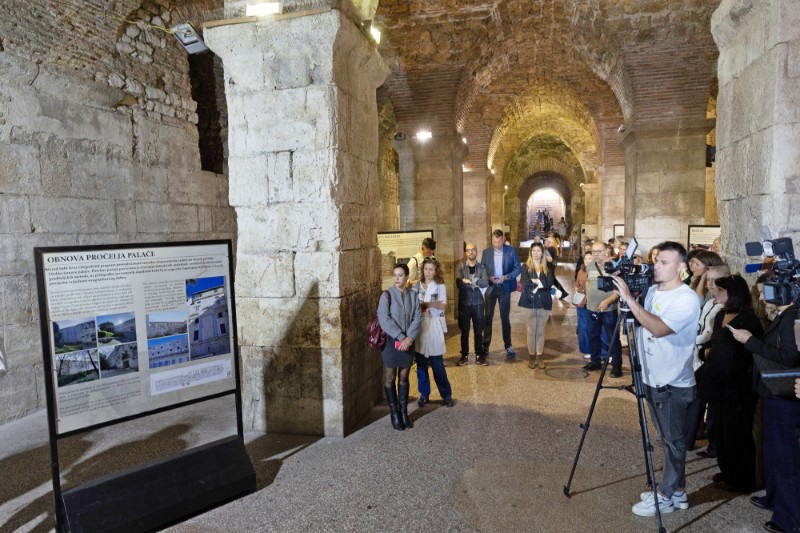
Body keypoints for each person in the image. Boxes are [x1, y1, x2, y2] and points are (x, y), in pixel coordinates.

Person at [611, 241, 701, 517]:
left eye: (664, 262)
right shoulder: (652, 290)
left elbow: (660, 328)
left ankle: (664, 495)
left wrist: (629, 299)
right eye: (656, 261)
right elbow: (640, 323)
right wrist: (632, 303)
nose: (656, 266)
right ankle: (677, 490)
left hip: (671, 382)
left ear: (681, 267)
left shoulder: (686, 298)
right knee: (667, 438)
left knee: (673, 441)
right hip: (650, 376)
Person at [730, 285, 800, 533]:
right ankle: (774, 499)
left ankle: (790, 520)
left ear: (781, 292)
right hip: (774, 395)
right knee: (772, 453)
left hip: (785, 400)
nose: (760, 296)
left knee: (785, 459)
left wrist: (750, 341)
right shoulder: (785, 315)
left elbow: (790, 357)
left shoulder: (793, 316)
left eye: (763, 291)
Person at [699, 275, 763, 493]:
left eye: (720, 290)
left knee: (738, 433)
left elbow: (753, 354)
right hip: (718, 384)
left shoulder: (748, 320)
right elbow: (714, 343)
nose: (715, 292)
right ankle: (728, 471)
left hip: (738, 388)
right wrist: (705, 350)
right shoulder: (721, 315)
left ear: (733, 293)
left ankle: (742, 479)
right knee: (722, 432)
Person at [683, 265, 730, 456]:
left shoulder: (722, 306)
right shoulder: (711, 303)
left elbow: (710, 332)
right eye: (708, 280)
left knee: (702, 400)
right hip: (697, 352)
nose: (710, 285)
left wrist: (690, 340)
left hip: (705, 354)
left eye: (714, 280)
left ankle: (708, 441)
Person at [377, 263, 422, 430]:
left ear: (406, 277)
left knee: (404, 377)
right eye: (394, 275)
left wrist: (409, 338)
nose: (396, 278)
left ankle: (404, 412)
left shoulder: (413, 295)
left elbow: (418, 317)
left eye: (400, 275)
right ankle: (394, 414)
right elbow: (384, 319)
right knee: (390, 377)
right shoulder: (386, 295)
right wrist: (402, 337)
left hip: (408, 342)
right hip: (391, 342)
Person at [414, 258, 454, 408]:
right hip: (420, 327)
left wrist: (426, 304)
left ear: (436, 271)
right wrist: (429, 304)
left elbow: (441, 306)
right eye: (426, 269)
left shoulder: (439, 286)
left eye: (431, 269)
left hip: (434, 324)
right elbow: (413, 306)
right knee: (421, 364)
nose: (428, 272)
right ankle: (424, 394)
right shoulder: (417, 286)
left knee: (437, 364)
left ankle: (446, 394)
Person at [583, 242, 622, 377]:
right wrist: (588, 296)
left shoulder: (614, 267)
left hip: (608, 309)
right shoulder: (589, 265)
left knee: (612, 338)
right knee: (593, 336)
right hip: (592, 308)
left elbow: (619, 290)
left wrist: (607, 301)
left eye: (599, 251)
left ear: (607, 251)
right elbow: (588, 281)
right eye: (594, 252)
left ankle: (617, 366)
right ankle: (595, 361)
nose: (596, 254)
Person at [481, 229, 521, 360]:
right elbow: (482, 269)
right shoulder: (486, 252)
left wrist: (506, 277)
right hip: (491, 288)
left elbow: (517, 268)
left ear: (503, 239)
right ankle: (485, 346)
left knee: (505, 318)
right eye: (494, 242)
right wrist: (489, 277)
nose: (496, 245)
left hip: (504, 288)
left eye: (498, 242)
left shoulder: (511, 251)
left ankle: (508, 346)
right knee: (488, 318)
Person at [519, 242, 555, 369]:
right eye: (533, 250)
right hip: (528, 303)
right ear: (531, 252)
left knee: (540, 331)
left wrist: (536, 282)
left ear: (542, 253)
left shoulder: (548, 267)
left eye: (538, 250)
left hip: (544, 302)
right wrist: (541, 283)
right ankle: (531, 356)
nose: (536, 253)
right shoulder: (525, 267)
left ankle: (539, 356)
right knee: (530, 331)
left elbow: (550, 282)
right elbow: (525, 283)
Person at [455, 243, 489, 366]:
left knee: (478, 331)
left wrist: (471, 281)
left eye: (473, 250)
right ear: (466, 252)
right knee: (464, 331)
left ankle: (479, 355)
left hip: (478, 303)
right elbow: (459, 283)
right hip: (464, 303)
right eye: (468, 250)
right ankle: (464, 355)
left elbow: (485, 283)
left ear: (477, 251)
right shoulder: (460, 267)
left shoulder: (482, 268)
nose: (471, 252)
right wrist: (468, 283)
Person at [575, 250, 592, 360]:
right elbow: (577, 285)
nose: (587, 260)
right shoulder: (581, 271)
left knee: (592, 328)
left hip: (592, 302)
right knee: (583, 327)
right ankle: (587, 349)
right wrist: (576, 298)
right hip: (581, 302)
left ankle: (598, 350)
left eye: (590, 258)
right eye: (586, 258)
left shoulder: (597, 271)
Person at [544, 236, 568, 300]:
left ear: (549, 242)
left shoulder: (550, 249)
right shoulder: (553, 249)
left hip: (550, 269)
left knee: (549, 282)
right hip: (551, 268)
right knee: (554, 282)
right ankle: (564, 292)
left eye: (546, 241)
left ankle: (546, 295)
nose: (545, 242)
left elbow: (549, 260)